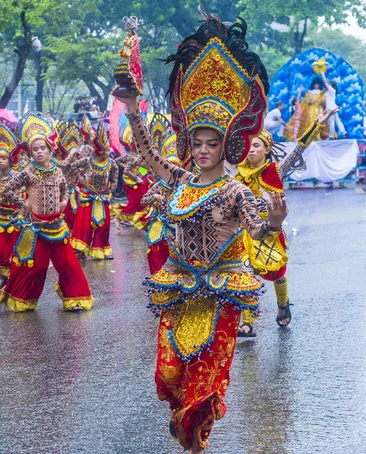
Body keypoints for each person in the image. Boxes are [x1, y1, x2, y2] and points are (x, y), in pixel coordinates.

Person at [114, 16, 289, 453]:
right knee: (170, 375)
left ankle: (196, 444)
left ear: (225, 144)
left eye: (212, 143)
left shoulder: (235, 188)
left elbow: (256, 227)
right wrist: (132, 106)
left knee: (206, 387)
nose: (204, 151)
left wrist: (274, 222)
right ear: (189, 144)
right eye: (197, 143)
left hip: (221, 292)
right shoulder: (178, 179)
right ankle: (189, 434)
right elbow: (148, 152)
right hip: (179, 287)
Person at [235, 116, 335, 336]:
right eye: (248, 146)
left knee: (278, 273)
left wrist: (317, 124)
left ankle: (282, 304)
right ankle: (248, 321)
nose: (251, 150)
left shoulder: (276, 170)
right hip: (246, 233)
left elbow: (298, 149)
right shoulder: (237, 174)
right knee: (245, 272)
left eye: (256, 145)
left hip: (271, 232)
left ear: (267, 149)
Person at [0, 112, 93, 312]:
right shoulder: (27, 172)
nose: (39, 152)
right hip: (36, 227)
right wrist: (22, 204)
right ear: (30, 153)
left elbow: (65, 187)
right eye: (35, 149)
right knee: (35, 266)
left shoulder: (57, 170)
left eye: (43, 148)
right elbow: (6, 190)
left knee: (68, 264)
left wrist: (65, 200)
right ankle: (22, 300)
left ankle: (75, 299)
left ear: (50, 150)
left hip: (57, 225)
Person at [64, 120, 118, 260]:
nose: (109, 152)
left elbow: (116, 169)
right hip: (88, 196)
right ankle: (80, 249)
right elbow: (71, 167)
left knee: (104, 226)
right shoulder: (88, 160)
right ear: (99, 150)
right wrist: (80, 178)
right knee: (84, 225)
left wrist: (113, 183)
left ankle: (102, 249)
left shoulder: (111, 163)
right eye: (106, 150)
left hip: (103, 197)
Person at [139, 133, 181, 275]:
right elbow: (143, 200)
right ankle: (157, 281)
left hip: (180, 228)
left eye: (175, 168)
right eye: (169, 166)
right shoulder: (159, 186)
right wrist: (155, 196)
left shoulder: (185, 186)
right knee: (155, 252)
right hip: (162, 226)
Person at [0, 123, 22, 291]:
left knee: (16, 251)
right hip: (1, 217)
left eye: (3, 158)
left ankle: (14, 280)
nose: (0, 162)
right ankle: (3, 276)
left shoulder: (18, 176)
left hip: (16, 218)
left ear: (10, 159)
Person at [112, 125, 151, 229]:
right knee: (135, 204)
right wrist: (136, 177)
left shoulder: (135, 156)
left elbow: (116, 161)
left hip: (138, 182)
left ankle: (135, 219)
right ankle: (119, 218)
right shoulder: (132, 157)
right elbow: (125, 169)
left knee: (139, 203)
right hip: (134, 183)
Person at [322, 72, 347, 139]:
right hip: (333, 107)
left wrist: (322, 74)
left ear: (331, 85)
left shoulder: (332, 90)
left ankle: (331, 136)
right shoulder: (330, 91)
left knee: (331, 121)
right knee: (337, 120)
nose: (328, 85)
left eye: (330, 84)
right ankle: (344, 132)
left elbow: (325, 82)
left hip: (331, 108)